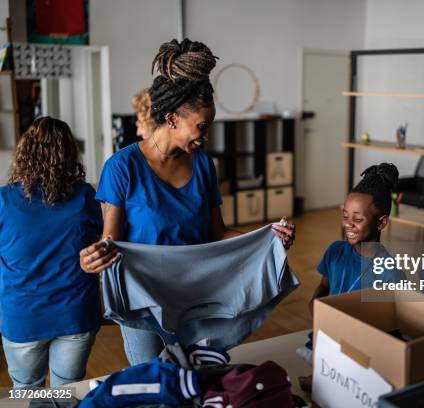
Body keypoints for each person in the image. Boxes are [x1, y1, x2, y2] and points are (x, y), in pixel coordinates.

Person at [79, 38, 295, 366]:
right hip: (144, 298)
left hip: (196, 294)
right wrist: (93, 258)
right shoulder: (122, 168)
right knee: (153, 379)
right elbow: (111, 239)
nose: (205, 135)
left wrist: (268, 238)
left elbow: (218, 232)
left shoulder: (204, 165)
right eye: (201, 126)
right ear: (172, 119)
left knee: (194, 376)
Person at [0, 117, 102, 387]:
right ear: (70, 154)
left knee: (25, 392)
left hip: (22, 316)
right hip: (75, 313)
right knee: (66, 393)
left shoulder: (3, 200)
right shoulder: (85, 196)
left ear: (24, 152)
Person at [309, 162, 404, 313]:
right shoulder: (335, 251)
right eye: (345, 216)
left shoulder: (391, 274)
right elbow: (324, 286)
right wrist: (315, 307)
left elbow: (392, 324)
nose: (348, 224)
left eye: (358, 220)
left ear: (382, 222)